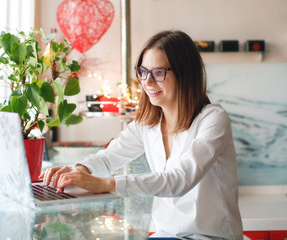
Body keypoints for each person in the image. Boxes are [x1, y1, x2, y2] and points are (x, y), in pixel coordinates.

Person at [39, 30, 243, 239]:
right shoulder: (148, 124)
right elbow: (109, 157)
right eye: (143, 71)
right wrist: (78, 169)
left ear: (185, 73)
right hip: (167, 234)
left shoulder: (213, 120)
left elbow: (180, 180)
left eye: (158, 73)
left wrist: (106, 184)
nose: (147, 82)